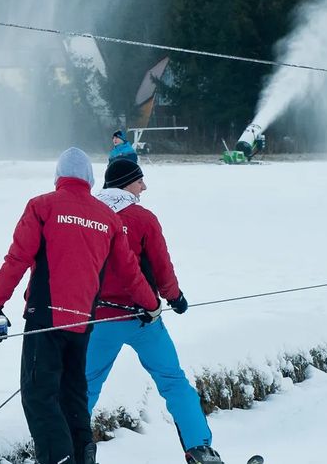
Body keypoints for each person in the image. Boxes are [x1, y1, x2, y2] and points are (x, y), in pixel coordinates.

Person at [0, 147, 161, 464]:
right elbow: (130, 271)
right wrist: (151, 304)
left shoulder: (43, 206)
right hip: (82, 324)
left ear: (58, 178)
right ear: (90, 180)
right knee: (72, 395)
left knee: (39, 396)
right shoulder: (107, 217)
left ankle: (59, 459)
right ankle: (83, 455)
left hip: (46, 320)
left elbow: (17, 260)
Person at [88, 158, 222, 464]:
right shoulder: (143, 218)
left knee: (85, 386)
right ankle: (200, 449)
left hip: (99, 318)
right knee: (173, 381)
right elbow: (161, 265)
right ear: (125, 183)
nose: (144, 187)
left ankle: (71, 451)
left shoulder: (89, 214)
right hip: (142, 319)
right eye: (139, 181)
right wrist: (175, 297)